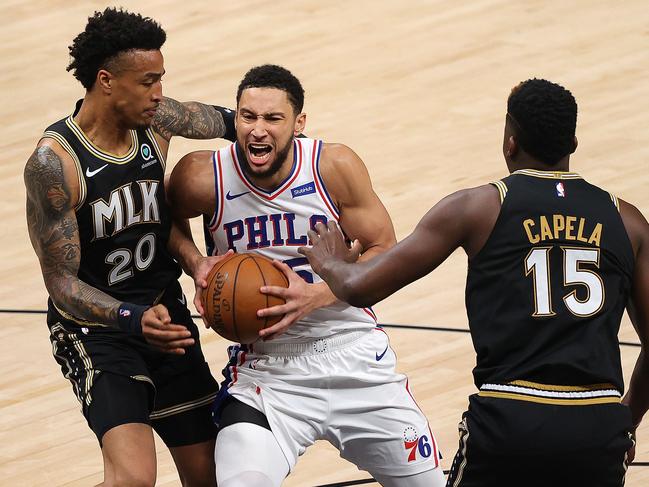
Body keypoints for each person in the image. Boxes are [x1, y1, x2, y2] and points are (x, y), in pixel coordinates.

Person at [299, 78, 649, 486]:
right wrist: (628, 417)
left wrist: (330, 264)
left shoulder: (479, 207)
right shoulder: (628, 221)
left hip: (511, 417)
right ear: (573, 141)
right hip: (597, 424)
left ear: (510, 142)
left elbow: (361, 287)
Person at [167, 64, 446, 487]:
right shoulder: (204, 175)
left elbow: (385, 251)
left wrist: (317, 296)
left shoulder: (332, 166)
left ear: (298, 123)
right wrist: (196, 262)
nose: (257, 130)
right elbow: (162, 217)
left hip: (352, 353)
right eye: (247, 117)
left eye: (272, 118)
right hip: (267, 371)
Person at [24, 8, 236, 487]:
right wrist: (129, 318)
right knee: (134, 481)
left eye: (160, 79)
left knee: (213, 479)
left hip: (165, 316)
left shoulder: (157, 120)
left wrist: (306, 151)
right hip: (98, 332)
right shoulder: (54, 164)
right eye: (147, 81)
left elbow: (240, 125)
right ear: (106, 81)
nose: (159, 92)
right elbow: (60, 283)